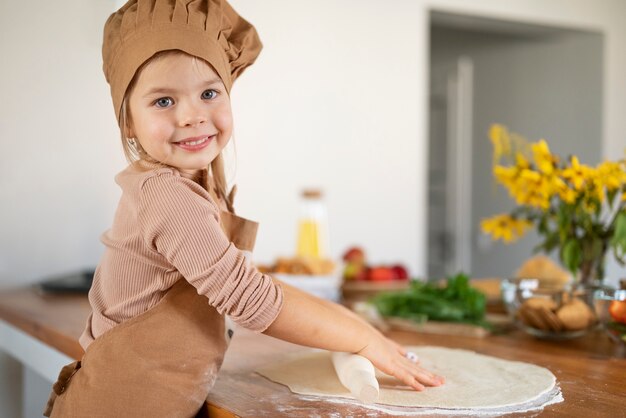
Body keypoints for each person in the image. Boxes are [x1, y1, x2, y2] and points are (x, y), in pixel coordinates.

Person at [43, 1, 444, 416]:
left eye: (209, 93)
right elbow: (249, 298)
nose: (192, 116)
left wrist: (352, 325)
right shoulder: (167, 195)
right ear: (128, 122)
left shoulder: (195, 186)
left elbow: (244, 281)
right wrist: (361, 339)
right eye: (163, 101)